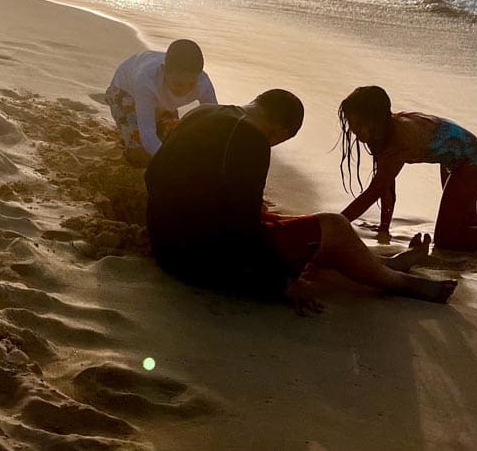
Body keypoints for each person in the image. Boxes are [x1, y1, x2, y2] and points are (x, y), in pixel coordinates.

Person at [144, 90, 458, 311]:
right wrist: (280, 283)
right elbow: (243, 229)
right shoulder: (250, 139)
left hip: (166, 242)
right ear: (280, 129)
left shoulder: (204, 113)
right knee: (333, 226)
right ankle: (401, 283)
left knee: (277, 220)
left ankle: (383, 265)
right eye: (281, 140)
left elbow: (153, 175)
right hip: (200, 260)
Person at [337, 85, 477, 251]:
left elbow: (373, 191)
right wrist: (384, 227)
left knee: (447, 239)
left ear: (376, 119)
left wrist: (336, 223)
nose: (354, 131)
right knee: (464, 221)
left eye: (358, 123)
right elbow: (386, 185)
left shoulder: (397, 140)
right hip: (453, 158)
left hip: (473, 161)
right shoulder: (379, 133)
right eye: (351, 124)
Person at [105, 40, 217, 167]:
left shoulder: (203, 83)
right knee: (140, 153)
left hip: (161, 103)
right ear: (164, 71)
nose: (185, 90)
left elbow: (216, 121)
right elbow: (147, 133)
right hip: (125, 93)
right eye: (179, 84)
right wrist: (169, 163)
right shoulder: (147, 80)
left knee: (176, 141)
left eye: (191, 84)